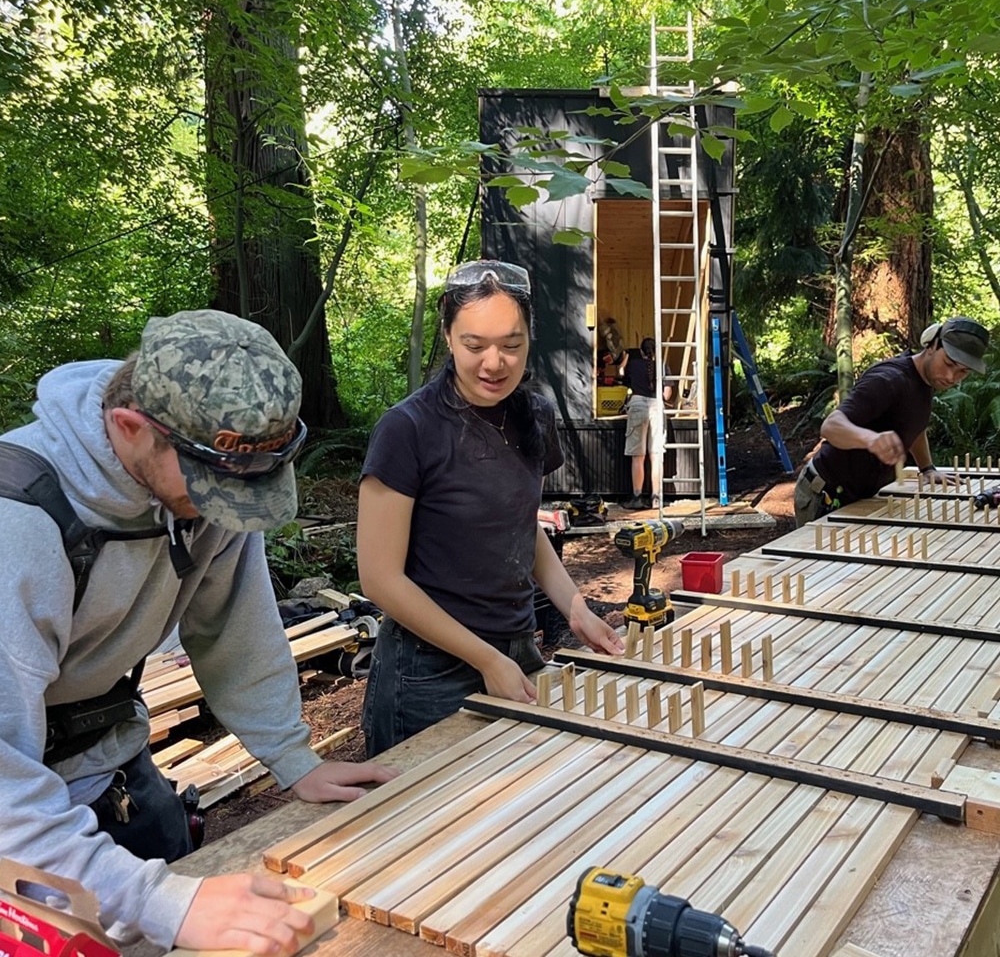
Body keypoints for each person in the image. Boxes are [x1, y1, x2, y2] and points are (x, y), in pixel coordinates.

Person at [0, 310, 397, 954]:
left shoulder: (211, 490)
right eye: (214, 487)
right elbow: (5, 794)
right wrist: (157, 902)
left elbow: (235, 627)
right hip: (18, 812)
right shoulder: (17, 524)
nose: (228, 508)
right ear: (130, 428)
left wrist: (294, 759)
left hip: (111, 765)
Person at [357, 260, 624, 757]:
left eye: (511, 345)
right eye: (474, 345)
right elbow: (379, 579)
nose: (494, 363)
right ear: (448, 336)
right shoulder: (407, 429)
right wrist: (485, 658)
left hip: (517, 647)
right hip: (427, 672)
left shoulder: (535, 413)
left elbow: (522, 527)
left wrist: (575, 608)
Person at [793, 315, 990, 526]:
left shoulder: (925, 380)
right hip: (826, 493)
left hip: (862, 497)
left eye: (963, 372)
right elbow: (831, 426)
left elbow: (915, 426)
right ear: (932, 345)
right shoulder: (888, 380)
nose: (952, 377)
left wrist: (927, 469)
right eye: (949, 363)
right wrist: (870, 439)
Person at [620, 336, 674, 510]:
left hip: (636, 406)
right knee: (656, 455)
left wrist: (626, 357)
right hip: (657, 407)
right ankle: (656, 498)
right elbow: (667, 396)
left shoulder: (634, 364)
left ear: (641, 352)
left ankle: (637, 497)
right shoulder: (663, 366)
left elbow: (620, 373)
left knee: (638, 456)